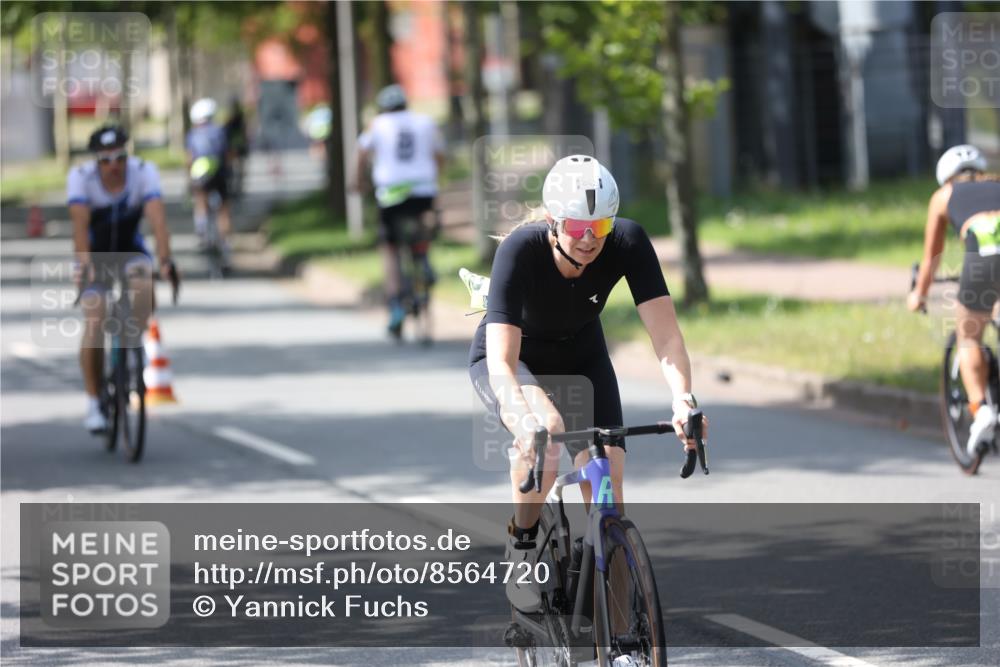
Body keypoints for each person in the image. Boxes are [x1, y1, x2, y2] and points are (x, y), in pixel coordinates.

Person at [468, 155, 706, 612]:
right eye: (578, 229)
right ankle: (522, 546)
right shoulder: (520, 250)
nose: (590, 240)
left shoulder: (628, 241)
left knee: (608, 485)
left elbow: (667, 335)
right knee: (547, 438)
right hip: (517, 359)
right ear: (554, 221)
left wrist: (683, 399)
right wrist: (525, 423)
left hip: (582, 354)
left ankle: (619, 639)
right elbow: (500, 361)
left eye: (600, 228)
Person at [68, 124, 177, 433]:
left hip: (131, 252)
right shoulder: (81, 178)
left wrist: (166, 259)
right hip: (95, 255)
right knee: (95, 317)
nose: (113, 166)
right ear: (95, 161)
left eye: (119, 158)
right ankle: (93, 402)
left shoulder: (144, 172)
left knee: (145, 288)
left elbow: (158, 221)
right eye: (105, 160)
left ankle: (132, 347)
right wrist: (86, 266)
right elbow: (79, 229)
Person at [909, 144, 1000, 456]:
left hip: (984, 261)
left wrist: (918, 294)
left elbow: (931, 257)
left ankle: (981, 410)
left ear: (945, 176)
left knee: (969, 336)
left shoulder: (943, 197)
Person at [354, 84, 445, 338]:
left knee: (389, 248)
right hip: (423, 189)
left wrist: (357, 182)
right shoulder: (426, 121)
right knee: (423, 232)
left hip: (391, 192)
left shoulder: (376, 123)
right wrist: (436, 179)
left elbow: (361, 154)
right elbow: (439, 154)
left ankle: (395, 306)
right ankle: (424, 260)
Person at [186, 97, 233, 267]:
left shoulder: (193, 133)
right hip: (219, 174)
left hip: (200, 175)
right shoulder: (220, 131)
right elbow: (226, 154)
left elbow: (190, 158)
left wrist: (189, 178)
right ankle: (226, 243)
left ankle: (202, 228)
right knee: (223, 209)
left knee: (200, 200)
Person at [222, 96, 249, 199]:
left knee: (236, 170)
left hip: (236, 148)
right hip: (236, 148)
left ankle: (236, 189)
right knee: (236, 170)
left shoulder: (233, 119)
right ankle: (236, 189)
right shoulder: (238, 119)